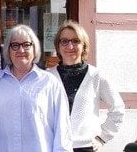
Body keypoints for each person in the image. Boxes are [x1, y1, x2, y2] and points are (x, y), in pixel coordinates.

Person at [0, 24, 71, 151]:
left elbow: (62, 128)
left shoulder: (50, 83)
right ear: (8, 50)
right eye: (15, 45)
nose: (21, 50)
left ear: (34, 48)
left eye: (26, 45)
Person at [47, 20, 124, 151]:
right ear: (58, 46)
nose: (69, 46)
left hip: (85, 148)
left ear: (84, 45)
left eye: (75, 41)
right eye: (64, 41)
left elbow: (118, 109)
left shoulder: (96, 76)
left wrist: (102, 137)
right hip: (54, 147)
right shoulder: (48, 77)